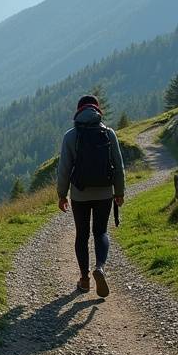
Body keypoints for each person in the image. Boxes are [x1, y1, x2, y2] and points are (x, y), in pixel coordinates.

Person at [56, 95, 126, 297]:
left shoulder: (70, 136)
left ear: (78, 111)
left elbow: (64, 169)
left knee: (82, 235)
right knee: (101, 232)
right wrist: (119, 192)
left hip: (80, 194)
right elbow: (119, 166)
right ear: (97, 111)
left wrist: (62, 195)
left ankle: (85, 280)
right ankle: (100, 268)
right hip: (105, 192)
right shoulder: (108, 133)